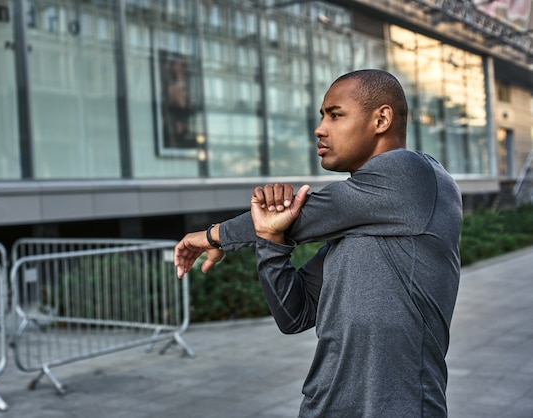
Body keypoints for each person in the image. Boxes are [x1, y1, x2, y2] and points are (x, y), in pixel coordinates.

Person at [174, 69, 462, 417]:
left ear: (381, 119)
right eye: (322, 116)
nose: (320, 129)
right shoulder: (361, 220)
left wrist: (211, 235)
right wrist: (269, 239)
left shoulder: (413, 174)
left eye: (335, 114)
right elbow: (294, 315)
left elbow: (303, 215)